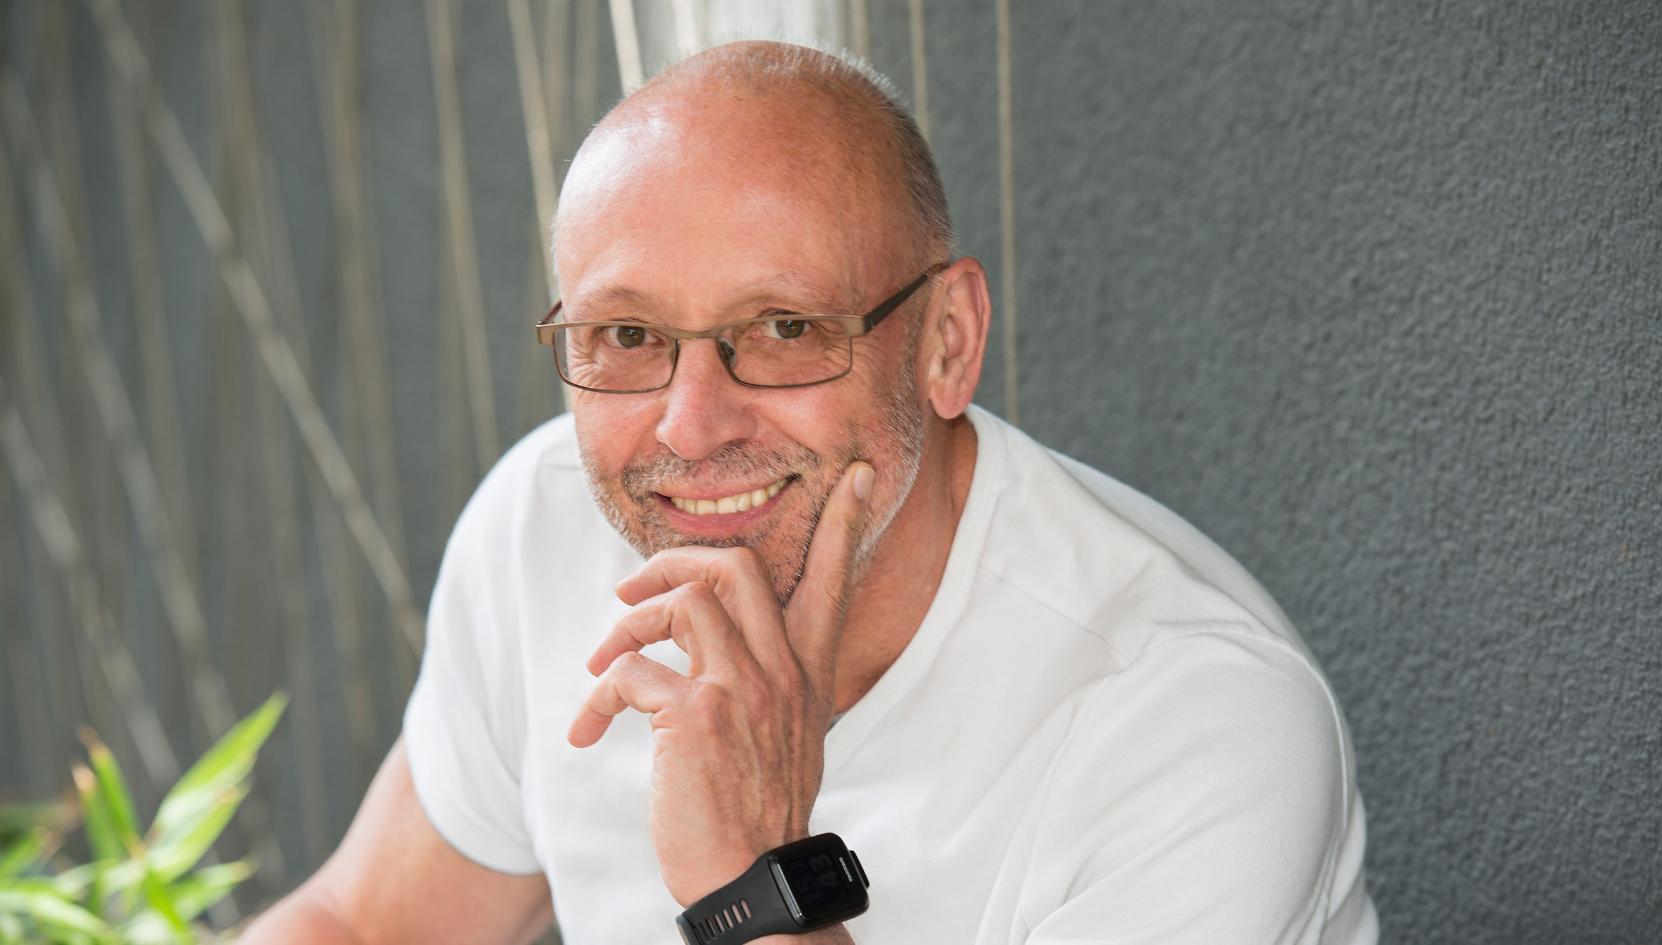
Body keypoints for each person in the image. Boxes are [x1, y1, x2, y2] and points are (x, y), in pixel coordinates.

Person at [243, 40, 1378, 945]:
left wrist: (757, 873)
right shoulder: (541, 526)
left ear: (945, 341)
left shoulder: (1196, 721)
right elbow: (364, 922)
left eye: (785, 327)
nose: (690, 425)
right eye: (628, 335)